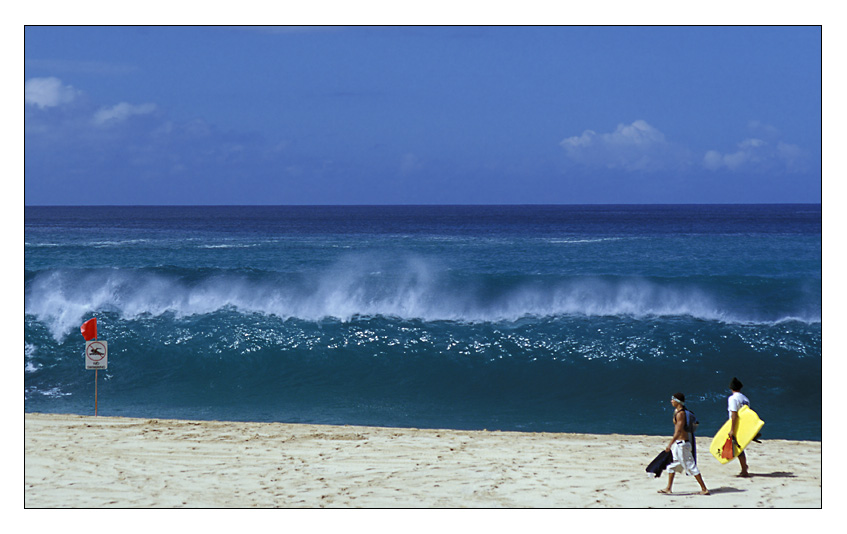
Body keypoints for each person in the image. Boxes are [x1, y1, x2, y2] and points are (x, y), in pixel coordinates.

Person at [658, 393, 710, 495]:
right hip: (679, 444)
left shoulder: (680, 414)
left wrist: (669, 444)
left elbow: (678, 431)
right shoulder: (677, 412)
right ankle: (668, 488)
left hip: (682, 445)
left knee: (691, 466)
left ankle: (704, 489)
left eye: (673, 399)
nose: (671, 401)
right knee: (671, 467)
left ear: (678, 401)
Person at [727, 377, 751, 477]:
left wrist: (732, 429)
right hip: (744, 425)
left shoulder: (733, 398)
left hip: (736, 425)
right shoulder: (745, 399)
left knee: (737, 447)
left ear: (731, 388)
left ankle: (744, 469)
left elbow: (734, 414)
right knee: (739, 447)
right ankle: (744, 467)